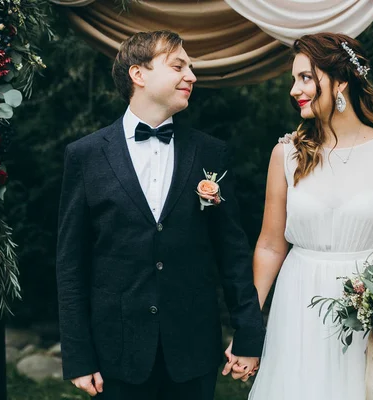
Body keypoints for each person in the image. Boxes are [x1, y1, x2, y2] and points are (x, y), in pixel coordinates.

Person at [55, 30, 265, 400]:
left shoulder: (210, 154)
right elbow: (71, 264)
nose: (192, 76)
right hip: (116, 352)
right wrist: (78, 356)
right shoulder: (85, 156)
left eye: (191, 68)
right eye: (178, 66)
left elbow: (232, 252)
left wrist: (249, 334)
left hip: (193, 351)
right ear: (139, 74)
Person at [237, 32, 373, 399]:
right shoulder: (286, 155)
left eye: (305, 77)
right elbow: (270, 245)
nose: (294, 89)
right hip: (300, 302)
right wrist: (248, 319)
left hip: (371, 306)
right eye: (294, 79)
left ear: (341, 81)